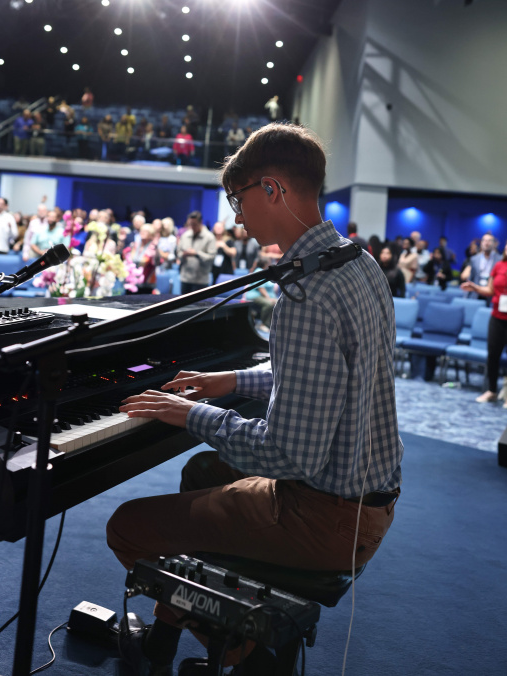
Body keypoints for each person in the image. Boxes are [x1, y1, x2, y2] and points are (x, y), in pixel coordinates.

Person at [107, 123, 402, 675]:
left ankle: (249, 656)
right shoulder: (358, 264)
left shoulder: (307, 294)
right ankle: (161, 644)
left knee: (128, 526)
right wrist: (233, 381)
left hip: (326, 516)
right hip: (367, 500)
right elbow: (323, 380)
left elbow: (289, 454)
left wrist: (191, 413)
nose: (237, 217)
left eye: (237, 199)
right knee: (201, 473)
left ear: (272, 189)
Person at [462, 234, 507, 409]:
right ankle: (491, 391)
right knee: (493, 355)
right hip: (497, 316)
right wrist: (475, 287)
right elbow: (490, 289)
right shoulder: (499, 266)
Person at [176, 211, 216, 293]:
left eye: (194, 224)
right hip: (185, 278)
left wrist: (196, 253)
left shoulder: (209, 237)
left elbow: (211, 258)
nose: (192, 226)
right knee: (184, 301)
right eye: (190, 224)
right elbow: (178, 253)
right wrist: (183, 254)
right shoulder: (185, 235)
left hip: (201, 280)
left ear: (200, 222)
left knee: (200, 301)